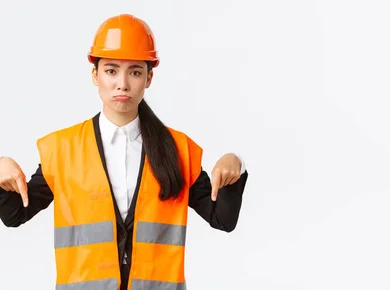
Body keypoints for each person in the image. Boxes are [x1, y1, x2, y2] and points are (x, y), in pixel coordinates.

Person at [0, 13, 248, 290]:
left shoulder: (177, 150)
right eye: (111, 70)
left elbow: (222, 219)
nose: (123, 84)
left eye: (135, 71)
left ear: (149, 78)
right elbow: (15, 215)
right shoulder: (61, 149)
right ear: (95, 75)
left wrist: (236, 163)